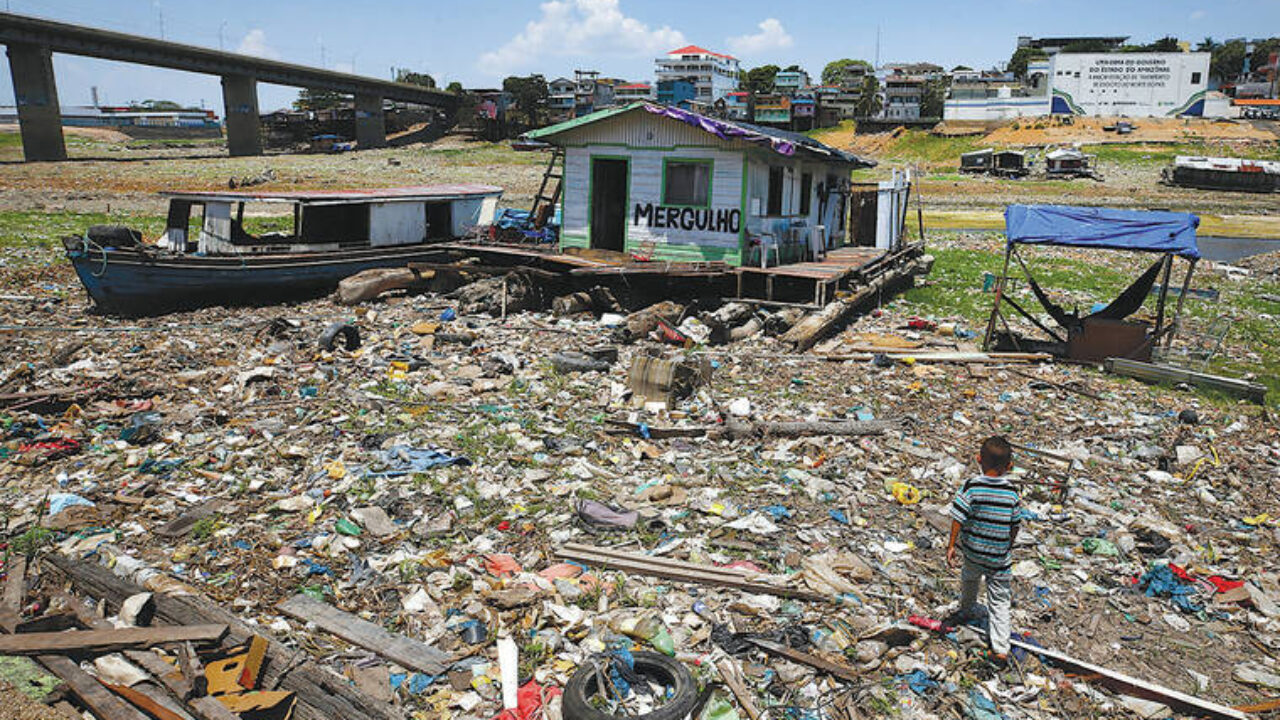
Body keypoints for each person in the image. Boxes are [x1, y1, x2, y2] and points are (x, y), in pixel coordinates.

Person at [946, 435, 1021, 661]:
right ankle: (1000, 648)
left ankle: (966, 610)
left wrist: (951, 546)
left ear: (978, 459)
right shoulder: (1012, 493)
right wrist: (1008, 545)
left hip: (973, 551)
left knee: (970, 578)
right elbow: (1015, 524)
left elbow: (958, 517)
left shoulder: (971, 486)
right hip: (999, 556)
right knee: (999, 601)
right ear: (1010, 466)